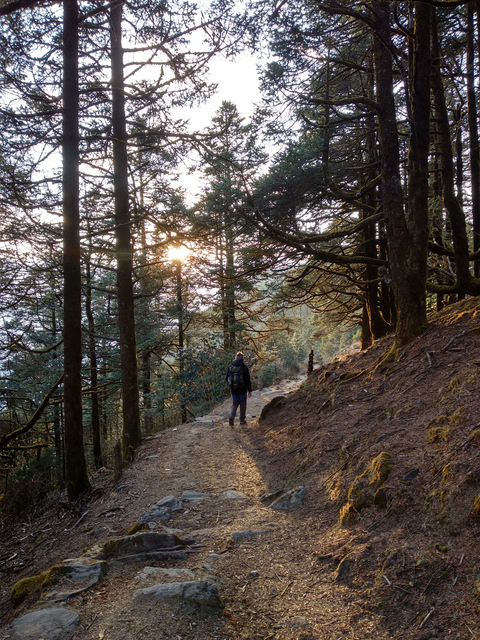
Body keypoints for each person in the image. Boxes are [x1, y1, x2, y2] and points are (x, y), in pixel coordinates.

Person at [225, 351, 252, 426]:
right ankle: (242, 420)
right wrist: (249, 390)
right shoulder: (244, 367)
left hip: (234, 390)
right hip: (242, 389)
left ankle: (231, 417)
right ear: (242, 358)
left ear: (235, 358)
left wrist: (232, 385)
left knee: (235, 404)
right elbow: (247, 380)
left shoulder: (230, 367)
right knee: (243, 404)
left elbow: (226, 378)